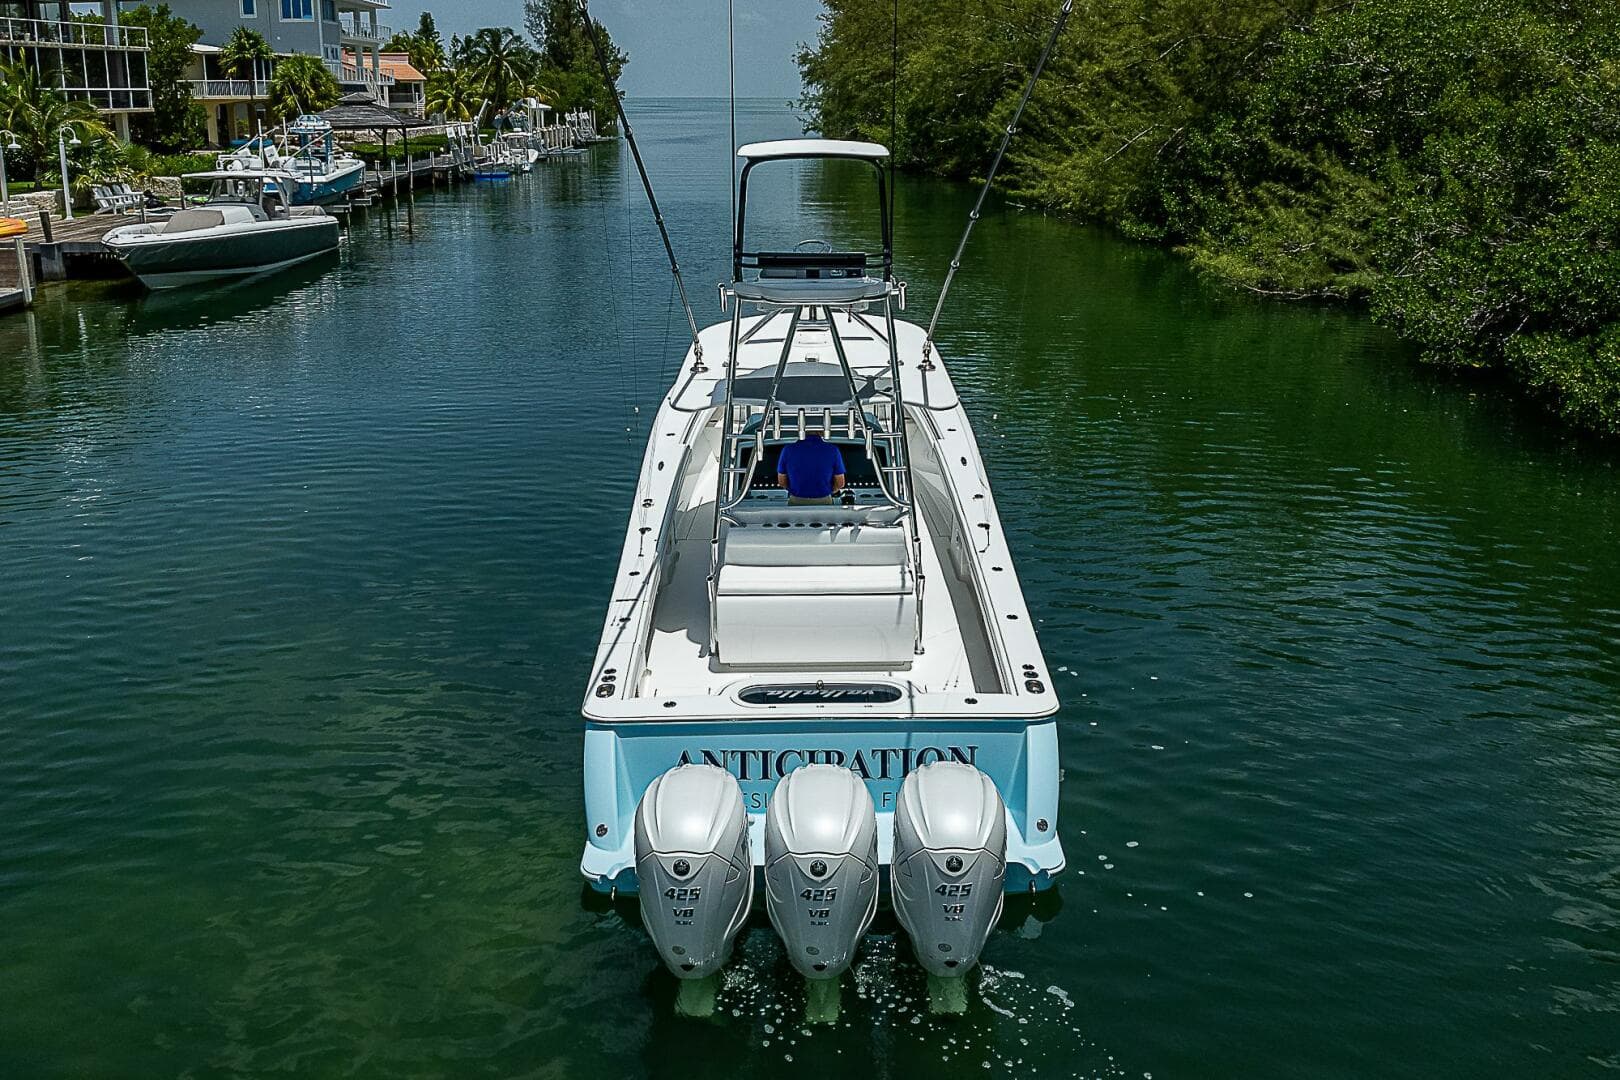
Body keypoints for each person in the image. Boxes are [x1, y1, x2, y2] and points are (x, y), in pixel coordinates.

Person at [776, 429, 846, 505]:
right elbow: (840, 483)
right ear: (822, 430)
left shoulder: (787, 449)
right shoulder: (833, 450)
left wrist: (793, 490)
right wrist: (829, 491)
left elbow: (782, 481)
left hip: (796, 501)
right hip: (823, 501)